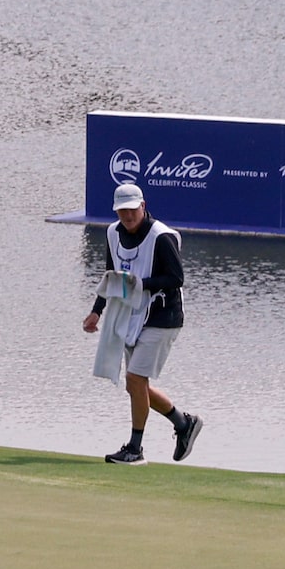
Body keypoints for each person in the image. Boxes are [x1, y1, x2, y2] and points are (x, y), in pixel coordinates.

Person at [81, 182, 201, 464]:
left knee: (136, 379)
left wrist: (140, 285)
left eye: (132, 210)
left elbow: (176, 278)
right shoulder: (113, 233)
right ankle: (184, 424)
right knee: (136, 386)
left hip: (164, 317)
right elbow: (112, 277)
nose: (128, 216)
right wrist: (97, 310)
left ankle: (135, 450)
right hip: (132, 316)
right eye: (122, 211)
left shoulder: (161, 237)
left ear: (143, 207)